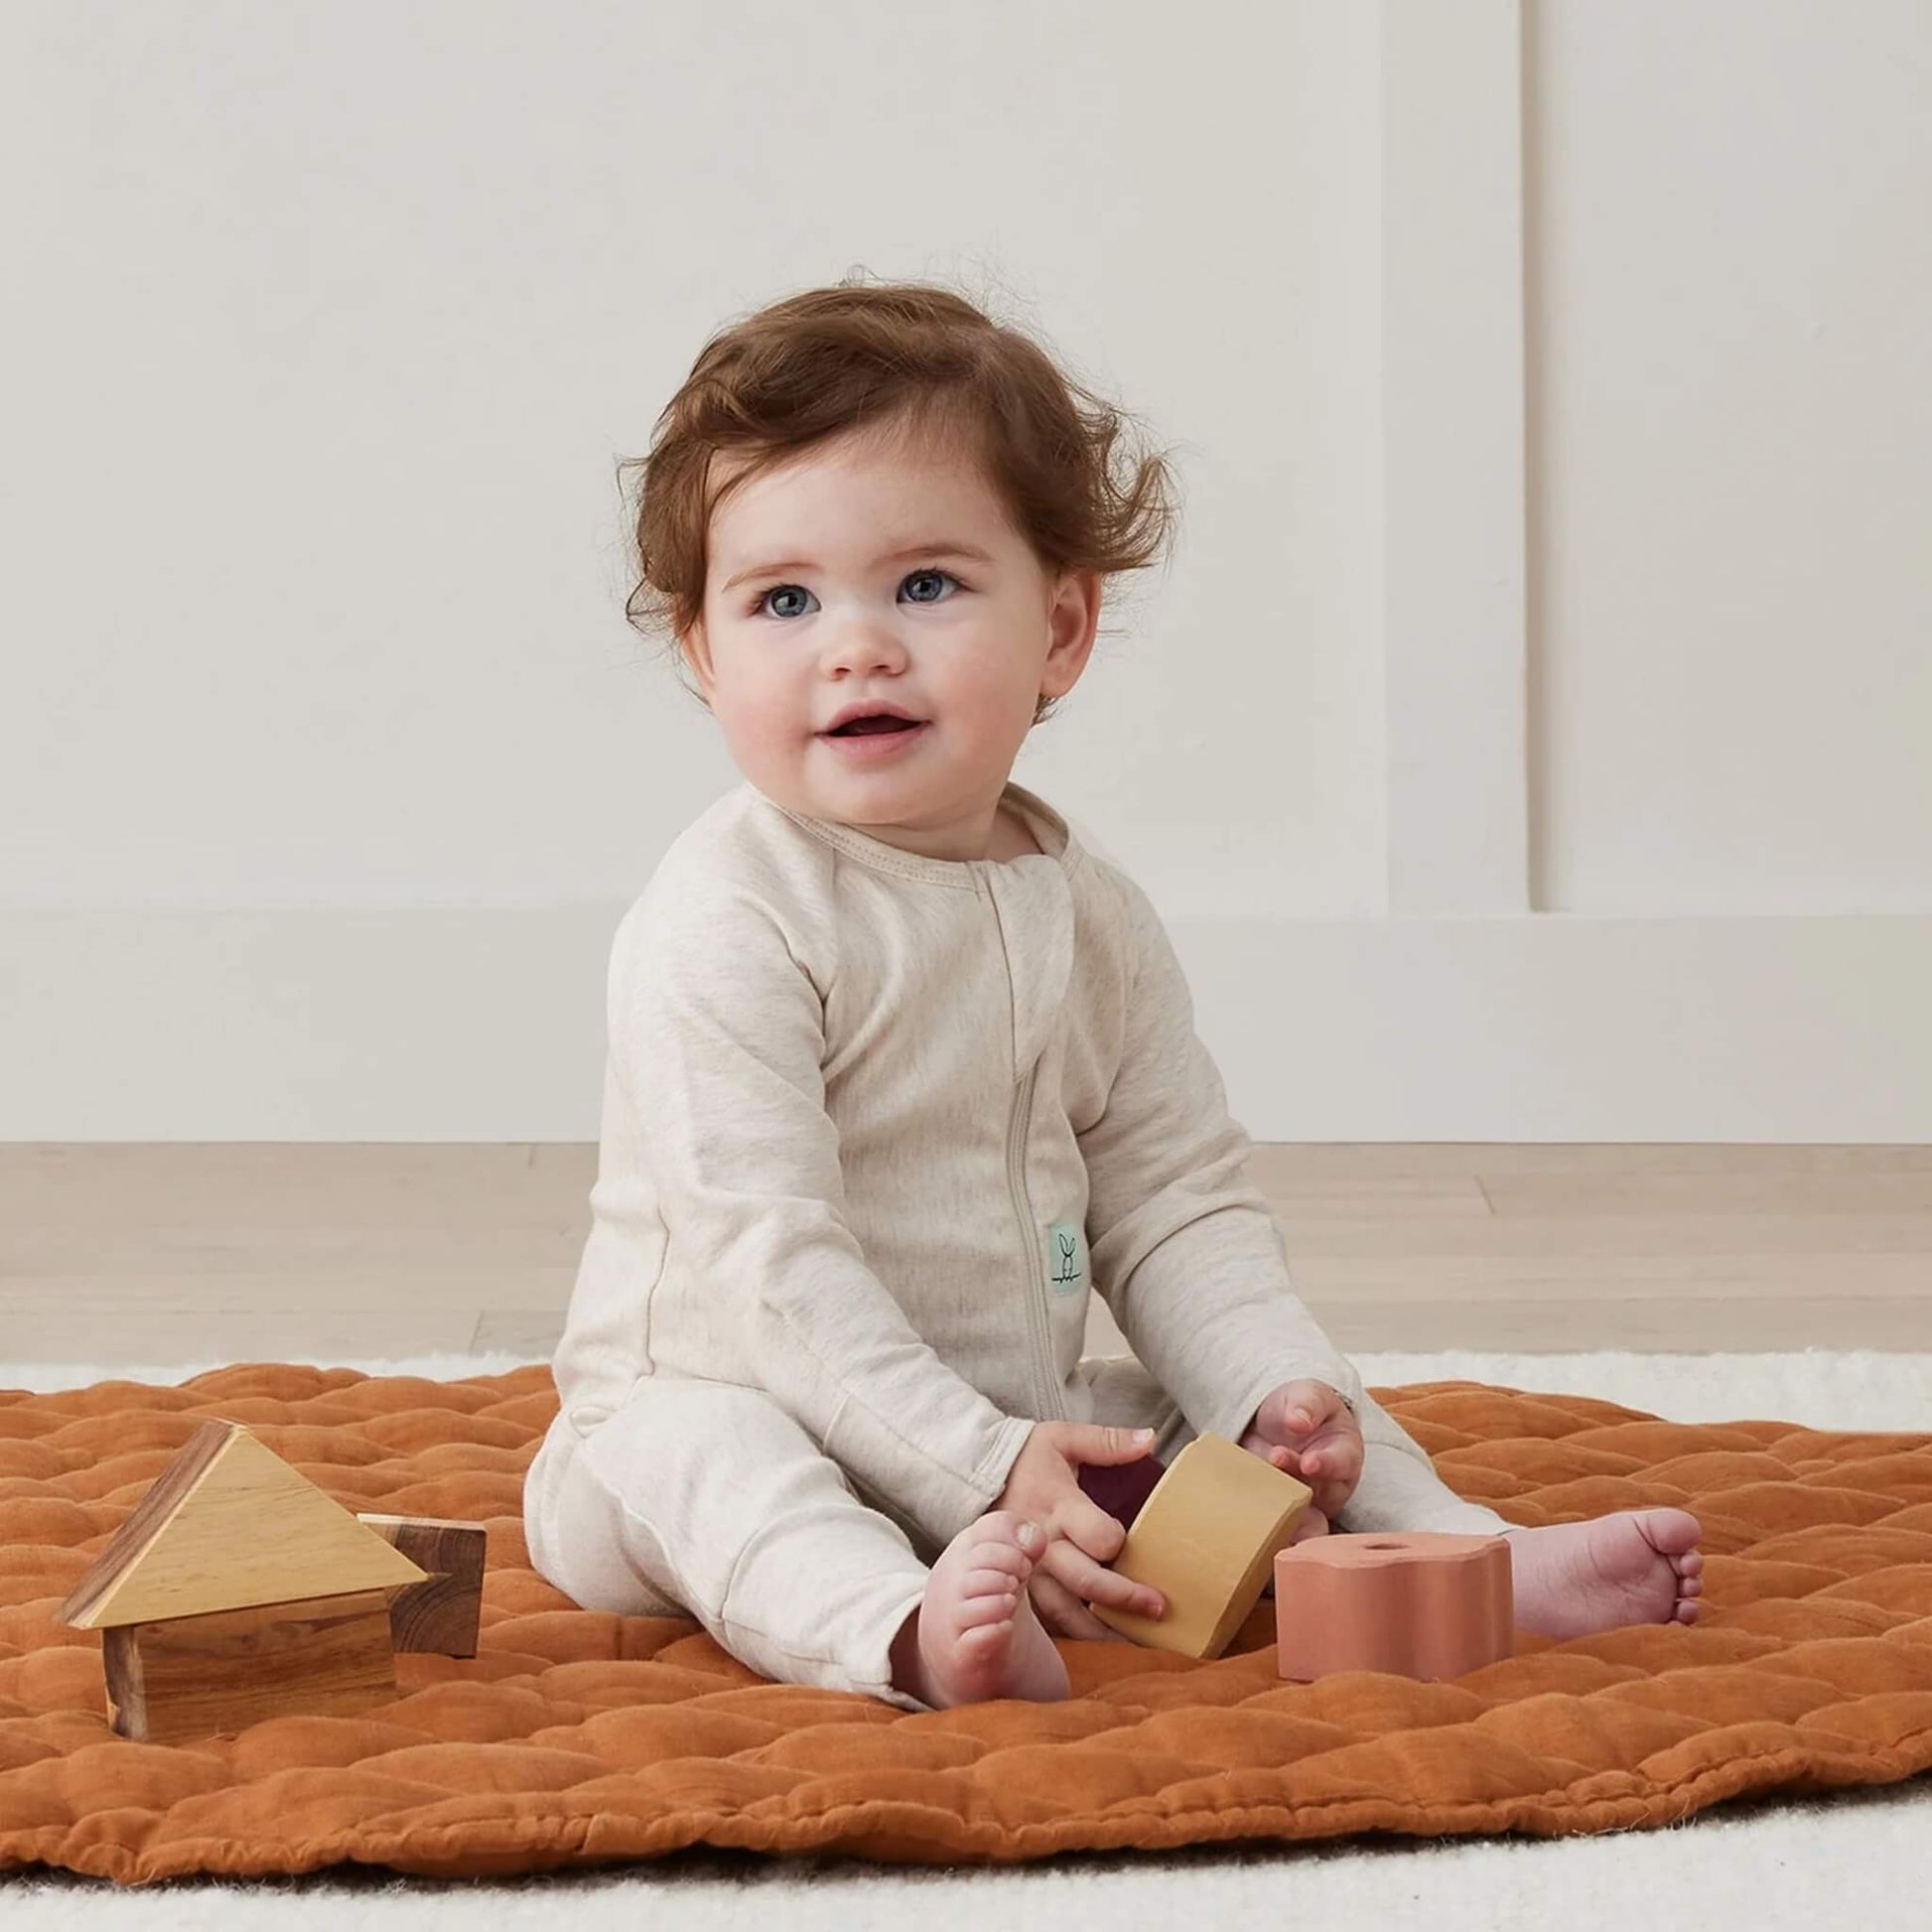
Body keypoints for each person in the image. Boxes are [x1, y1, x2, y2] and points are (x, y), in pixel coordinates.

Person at [521, 276, 1704, 1714]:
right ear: (706, 655)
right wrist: (973, 1463)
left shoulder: (1089, 910)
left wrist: (1272, 1388)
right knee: (717, 1466)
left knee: (1253, 1426)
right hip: (710, 1409)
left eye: (927, 584)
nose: (856, 645)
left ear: (1062, 627)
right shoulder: (724, 918)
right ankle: (901, 1631)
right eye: (782, 599)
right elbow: (767, 1267)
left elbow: (1172, 1197)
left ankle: (1462, 1555)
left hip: (1015, 1428)